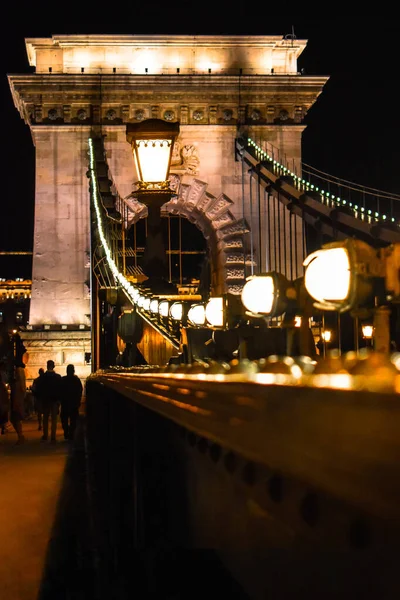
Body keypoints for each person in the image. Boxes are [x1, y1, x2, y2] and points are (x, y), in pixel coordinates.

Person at [36, 359, 62, 443]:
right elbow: (59, 389)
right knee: (54, 419)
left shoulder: (43, 377)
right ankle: (53, 436)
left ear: (47, 366)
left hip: (45, 400)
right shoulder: (58, 377)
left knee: (45, 418)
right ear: (53, 366)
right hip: (54, 400)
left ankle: (45, 435)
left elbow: (39, 388)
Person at [60, 364, 82, 441]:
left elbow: (60, 391)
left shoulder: (63, 380)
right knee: (73, 420)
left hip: (65, 403)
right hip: (74, 403)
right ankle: (71, 434)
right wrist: (78, 401)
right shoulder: (76, 380)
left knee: (64, 419)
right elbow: (80, 391)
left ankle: (66, 432)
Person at [9, 361, 26, 445]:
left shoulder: (17, 384)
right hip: (19, 404)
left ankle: (20, 436)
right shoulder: (22, 384)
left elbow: (15, 395)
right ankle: (20, 436)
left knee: (15, 420)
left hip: (16, 404)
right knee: (17, 420)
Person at [0, 370, 9, 435]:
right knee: (2, 418)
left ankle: (3, 428)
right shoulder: (2, 385)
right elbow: (5, 394)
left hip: (2, 404)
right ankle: (3, 428)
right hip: (2, 404)